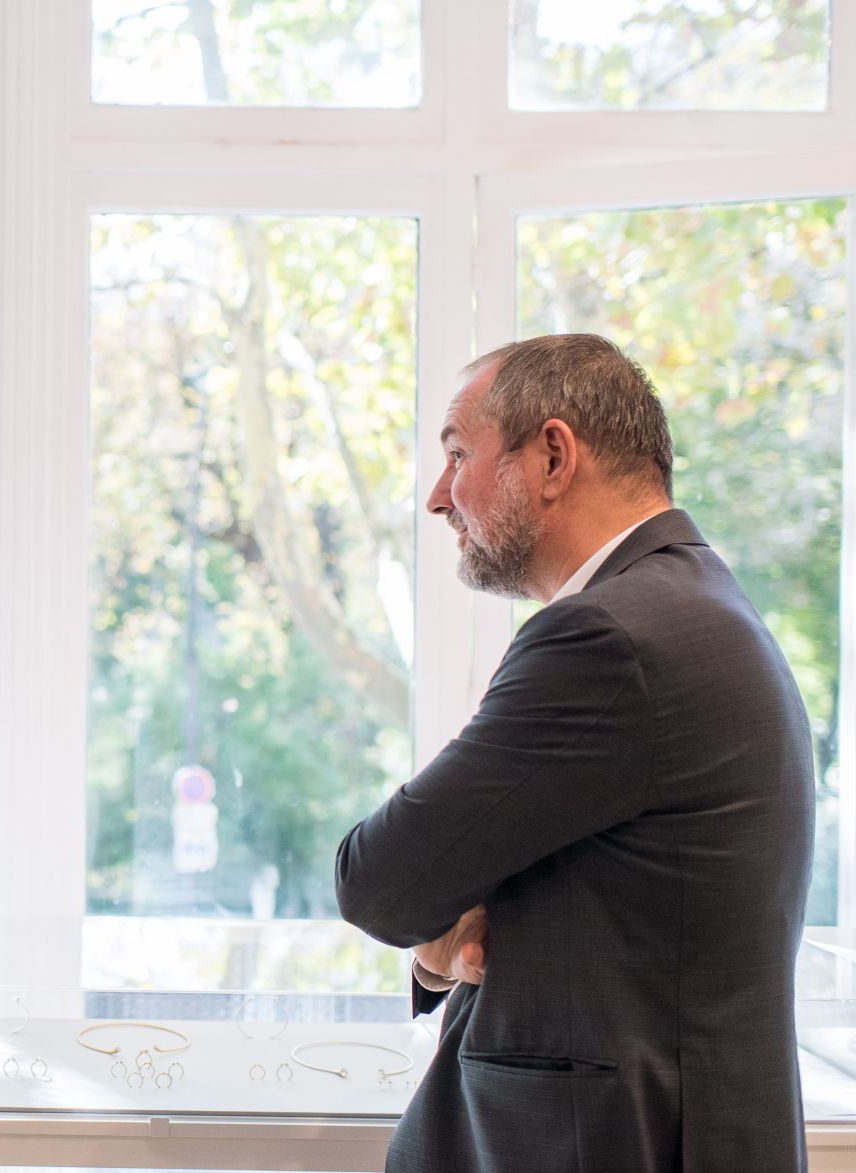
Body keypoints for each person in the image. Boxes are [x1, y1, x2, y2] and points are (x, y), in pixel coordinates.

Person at [335, 334, 814, 1173]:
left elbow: (380, 879)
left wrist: (432, 933)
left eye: (457, 454)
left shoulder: (606, 638)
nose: (438, 497)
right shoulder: (694, 605)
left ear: (553, 454)